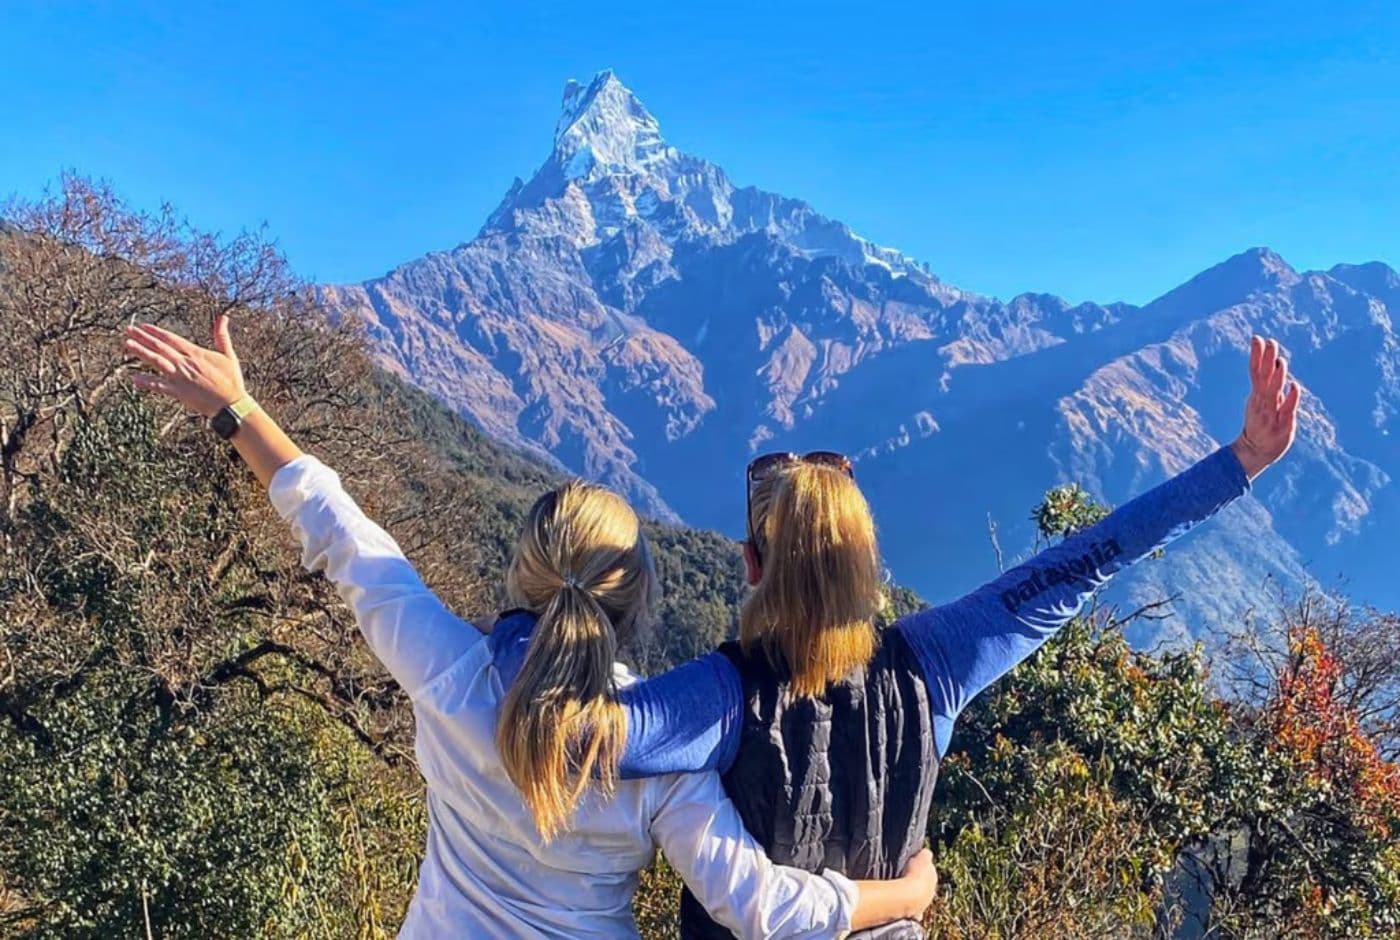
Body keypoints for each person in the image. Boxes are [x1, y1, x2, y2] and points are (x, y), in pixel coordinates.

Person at [122, 316, 939, 939]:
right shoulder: (655, 749)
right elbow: (758, 903)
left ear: (524, 572)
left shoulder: (448, 674)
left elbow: (345, 536)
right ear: (638, 603)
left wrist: (235, 407)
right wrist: (907, 894)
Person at [615, 338, 1301, 938]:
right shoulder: (932, 664)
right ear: (867, 566)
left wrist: (518, 632)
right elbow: (1089, 558)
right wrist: (1241, 459)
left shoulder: (721, 696)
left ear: (752, 564)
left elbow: (578, 735)